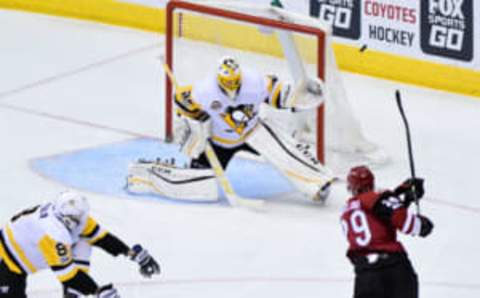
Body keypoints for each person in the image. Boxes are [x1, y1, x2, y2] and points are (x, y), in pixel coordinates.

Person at [127, 56, 336, 202]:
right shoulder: (203, 91)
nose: (232, 88)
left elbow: (282, 96)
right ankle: (146, 172)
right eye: (228, 83)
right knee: (200, 187)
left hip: (253, 132)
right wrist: (185, 108)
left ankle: (317, 183)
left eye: (235, 82)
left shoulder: (255, 81)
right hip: (219, 143)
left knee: (286, 151)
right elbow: (187, 112)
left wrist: (303, 95)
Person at [0, 190, 160, 298]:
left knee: (84, 240)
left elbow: (101, 237)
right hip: (7, 261)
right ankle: (75, 289)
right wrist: (97, 291)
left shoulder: (71, 217)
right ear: (67, 219)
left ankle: (73, 292)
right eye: (78, 220)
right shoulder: (53, 234)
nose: (82, 223)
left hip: (25, 251)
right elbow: (67, 276)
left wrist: (133, 254)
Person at [340, 166, 434, 298]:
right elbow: (403, 221)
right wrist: (421, 225)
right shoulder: (373, 198)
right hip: (393, 270)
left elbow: (379, 218)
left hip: (365, 275)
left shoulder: (346, 211)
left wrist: (402, 195)